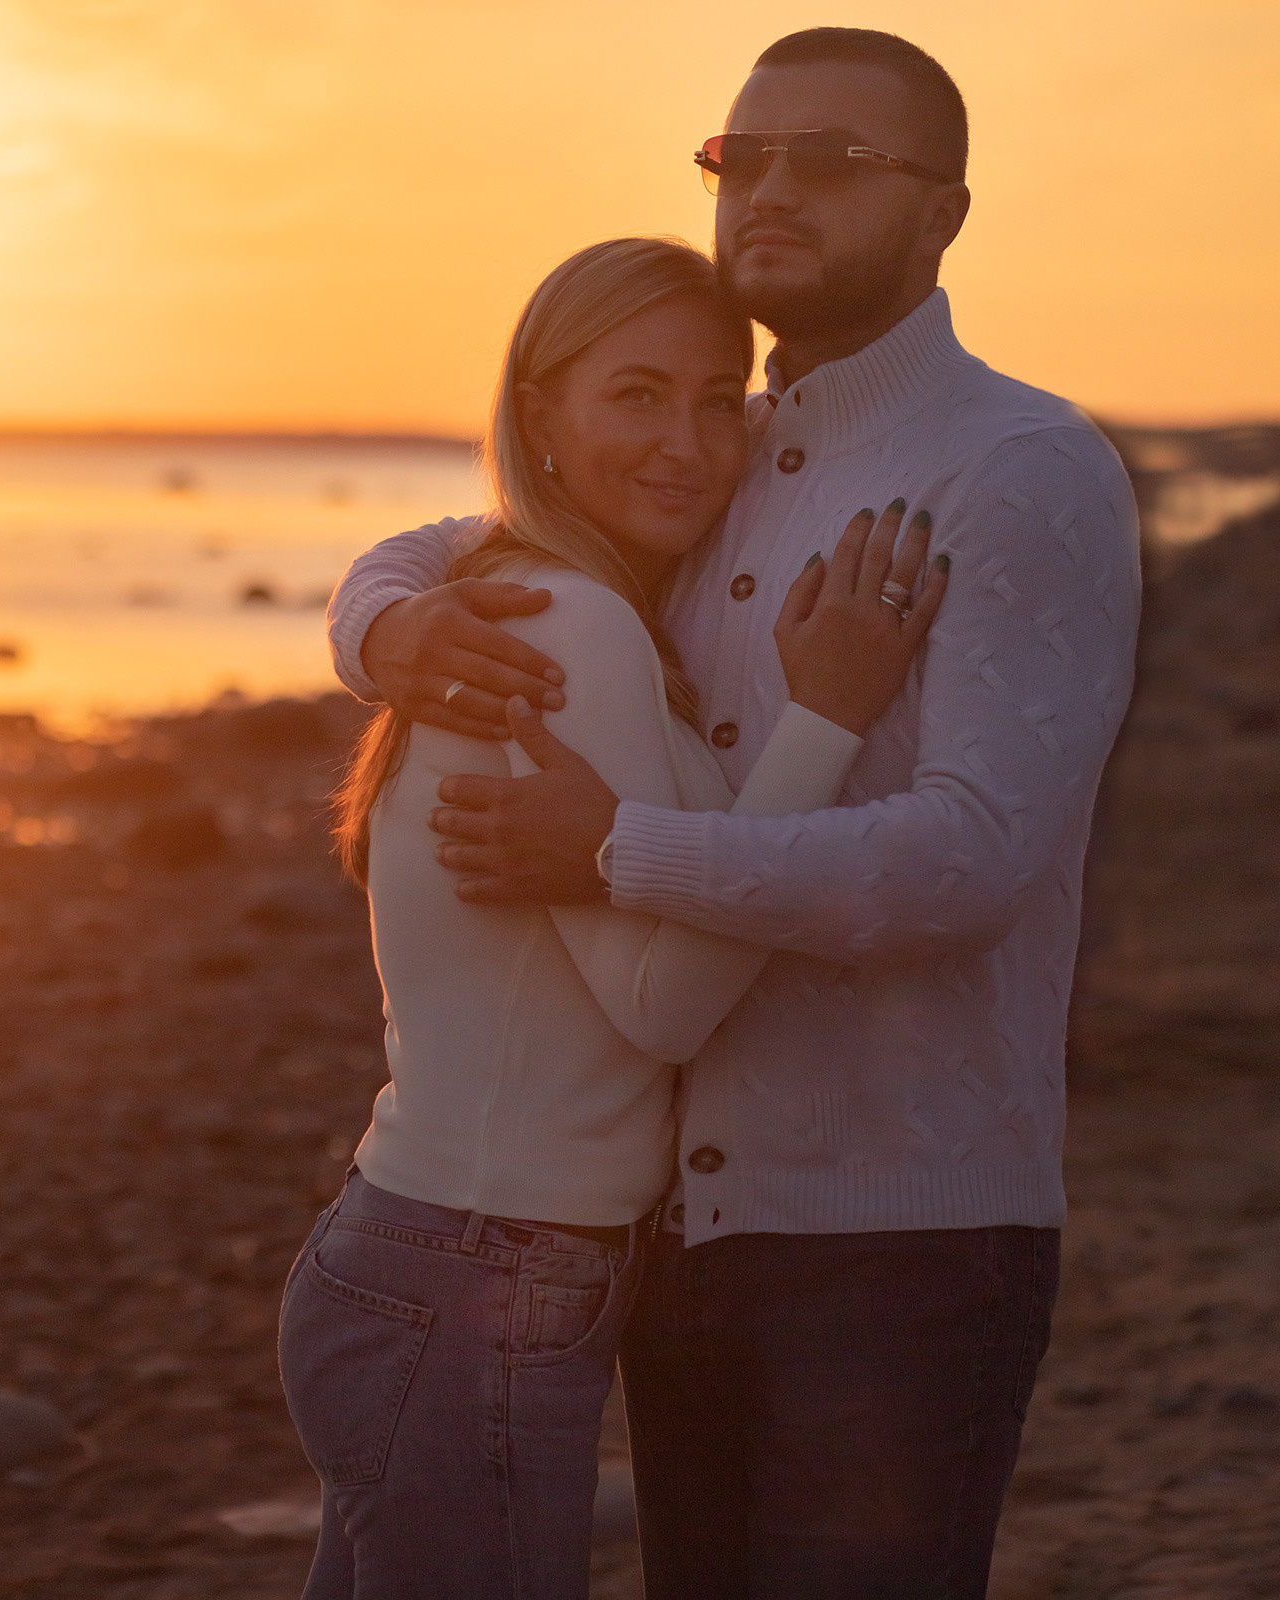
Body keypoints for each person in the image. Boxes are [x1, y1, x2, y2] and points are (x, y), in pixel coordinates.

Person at [322, 26, 1141, 1600]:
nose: (768, 186)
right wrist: (381, 627)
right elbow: (480, 531)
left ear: (944, 212)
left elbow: (971, 857)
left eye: (830, 158)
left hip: (893, 1234)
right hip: (678, 1238)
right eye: (739, 155)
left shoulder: (1013, 466)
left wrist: (620, 851)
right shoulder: (731, 448)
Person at [279, 235, 945, 1599]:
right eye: (635, 396)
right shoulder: (566, 624)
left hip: (427, 1256)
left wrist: (375, 614)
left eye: (719, 399)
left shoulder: (539, 591)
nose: (689, 443)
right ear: (543, 415)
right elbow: (669, 1003)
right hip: (479, 1274)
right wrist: (823, 720)